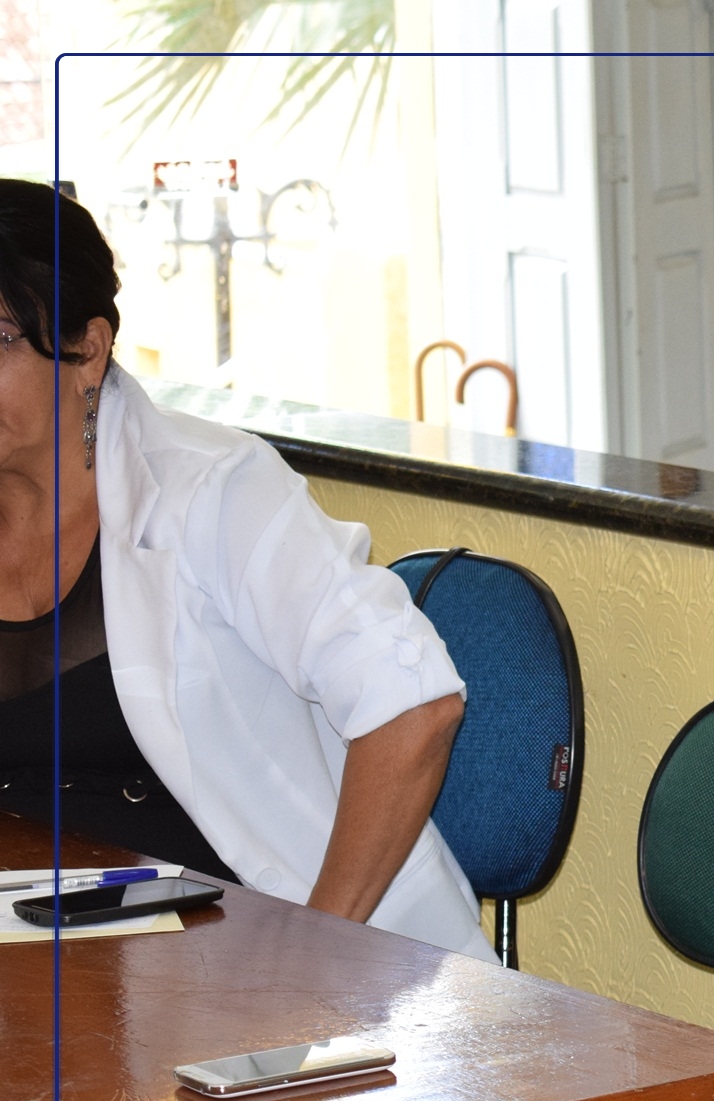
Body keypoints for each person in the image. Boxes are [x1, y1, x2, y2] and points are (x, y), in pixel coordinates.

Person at [0, 182, 492, 959]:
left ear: (87, 349)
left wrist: (317, 958)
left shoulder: (214, 489)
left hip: (243, 960)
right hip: (45, 961)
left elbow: (414, 705)